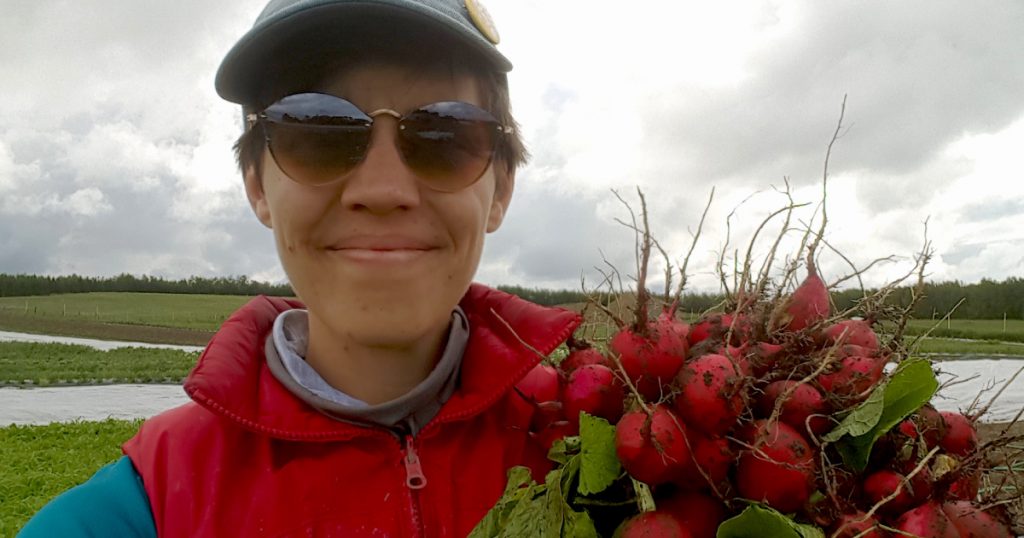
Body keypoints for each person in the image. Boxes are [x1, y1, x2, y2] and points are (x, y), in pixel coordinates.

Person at [18, 0, 580, 536]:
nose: (382, 190)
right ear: (258, 185)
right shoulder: (143, 510)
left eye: (445, 136)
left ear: (501, 188)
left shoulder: (611, 444)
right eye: (319, 131)